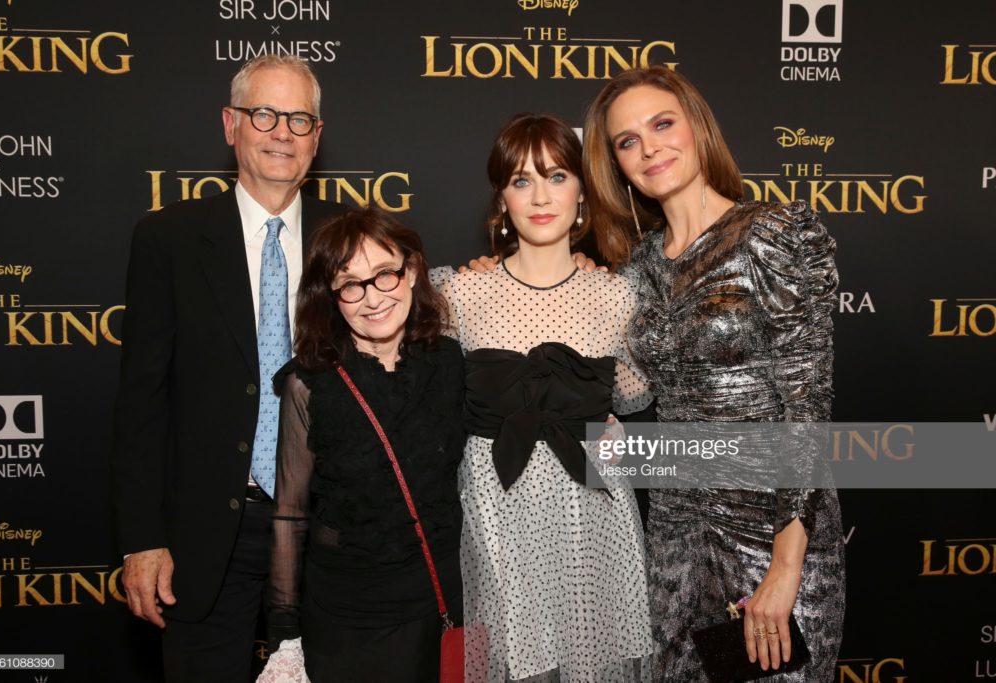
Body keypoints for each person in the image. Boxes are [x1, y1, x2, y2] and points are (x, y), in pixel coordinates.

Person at [583, 66, 845, 680]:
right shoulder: (637, 269)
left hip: (775, 531)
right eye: (627, 140)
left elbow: (806, 406)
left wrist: (785, 570)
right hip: (676, 536)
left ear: (697, 127)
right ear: (615, 163)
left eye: (662, 124)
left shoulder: (774, 235)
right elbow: (634, 385)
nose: (649, 148)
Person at [111, 54, 345, 682]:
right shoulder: (168, 240)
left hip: (331, 530)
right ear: (230, 124)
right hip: (207, 535)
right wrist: (141, 538)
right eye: (264, 113)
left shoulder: (349, 240)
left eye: (300, 119)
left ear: (317, 138)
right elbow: (142, 403)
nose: (282, 133)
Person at [441, 113, 654, 682]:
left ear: (583, 192)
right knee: (500, 662)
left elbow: (636, 401)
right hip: (492, 511)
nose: (540, 196)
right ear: (501, 199)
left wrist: (613, 431)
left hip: (592, 514)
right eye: (521, 180)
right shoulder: (459, 293)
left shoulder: (617, 296)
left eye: (557, 176)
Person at [261, 207, 465, 681]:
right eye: (350, 284)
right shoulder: (308, 384)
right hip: (346, 618)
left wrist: (603, 429)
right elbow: (290, 516)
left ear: (412, 271)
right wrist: (285, 634)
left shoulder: (451, 362)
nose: (372, 298)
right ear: (332, 297)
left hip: (442, 599)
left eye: (385, 275)